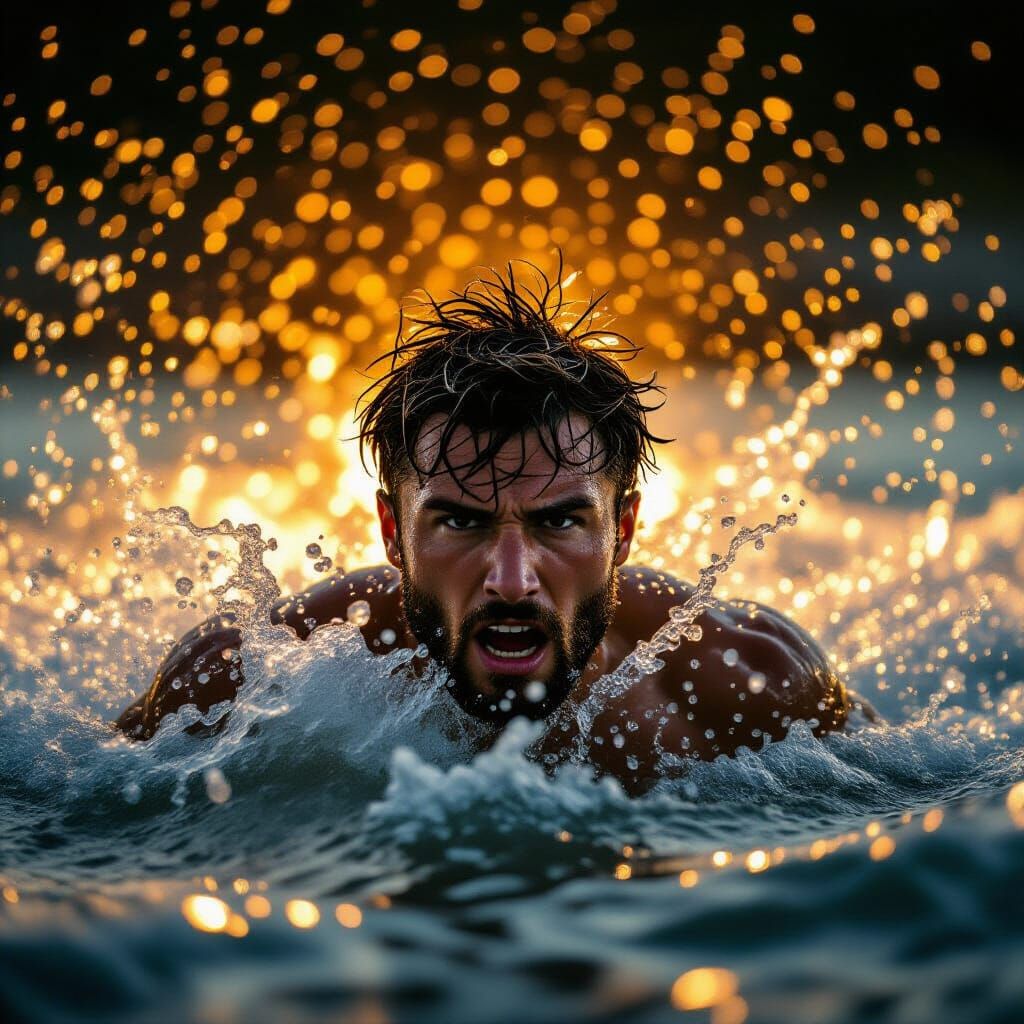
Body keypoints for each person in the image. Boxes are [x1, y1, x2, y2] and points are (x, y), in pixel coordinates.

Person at [116, 262, 849, 792]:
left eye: (560, 521)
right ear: (391, 531)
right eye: (460, 522)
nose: (510, 579)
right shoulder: (245, 684)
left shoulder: (749, 687)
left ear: (623, 531)